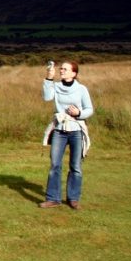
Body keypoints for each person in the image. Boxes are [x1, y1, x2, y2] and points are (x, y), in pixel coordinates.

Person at [39, 61, 94, 210]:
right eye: (61, 68)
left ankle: (73, 199)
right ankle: (53, 199)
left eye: (65, 69)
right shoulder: (56, 86)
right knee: (55, 165)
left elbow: (90, 109)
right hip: (59, 130)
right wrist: (49, 79)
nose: (61, 71)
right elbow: (47, 97)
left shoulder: (82, 89)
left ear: (74, 73)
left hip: (76, 130)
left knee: (75, 166)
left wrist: (79, 113)